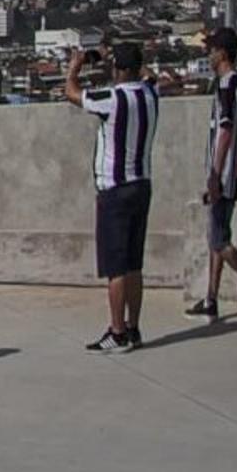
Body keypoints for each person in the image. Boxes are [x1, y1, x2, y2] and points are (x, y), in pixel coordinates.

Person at [67, 40, 160, 352]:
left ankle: (117, 330)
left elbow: (72, 93)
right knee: (134, 263)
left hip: (115, 190)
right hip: (141, 184)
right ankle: (134, 326)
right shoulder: (150, 93)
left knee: (115, 266)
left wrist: (75, 66)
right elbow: (150, 76)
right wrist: (122, 56)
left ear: (119, 70)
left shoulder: (114, 98)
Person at [185, 28, 237, 324]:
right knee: (217, 234)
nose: (209, 53)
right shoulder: (233, 84)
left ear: (223, 53)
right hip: (227, 172)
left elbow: (226, 129)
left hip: (225, 172)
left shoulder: (228, 85)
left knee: (218, 239)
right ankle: (211, 298)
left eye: (213, 49)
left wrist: (215, 174)